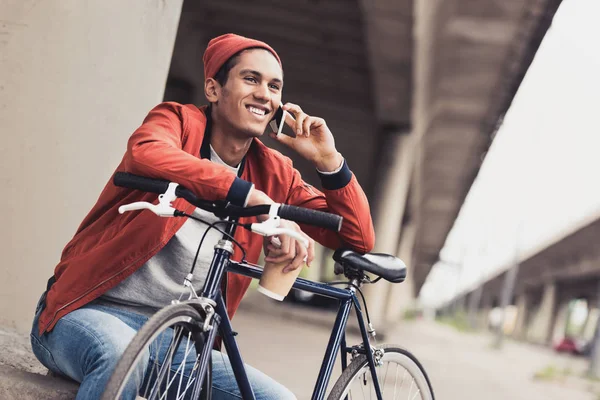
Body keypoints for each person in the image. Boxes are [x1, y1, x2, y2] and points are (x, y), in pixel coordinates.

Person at [30, 33, 375, 399]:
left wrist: (329, 162)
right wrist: (242, 192)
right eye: (251, 79)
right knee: (119, 359)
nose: (265, 95)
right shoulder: (176, 122)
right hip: (88, 314)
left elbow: (356, 237)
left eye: (275, 86)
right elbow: (146, 152)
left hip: (178, 342)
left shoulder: (275, 172)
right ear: (213, 89)